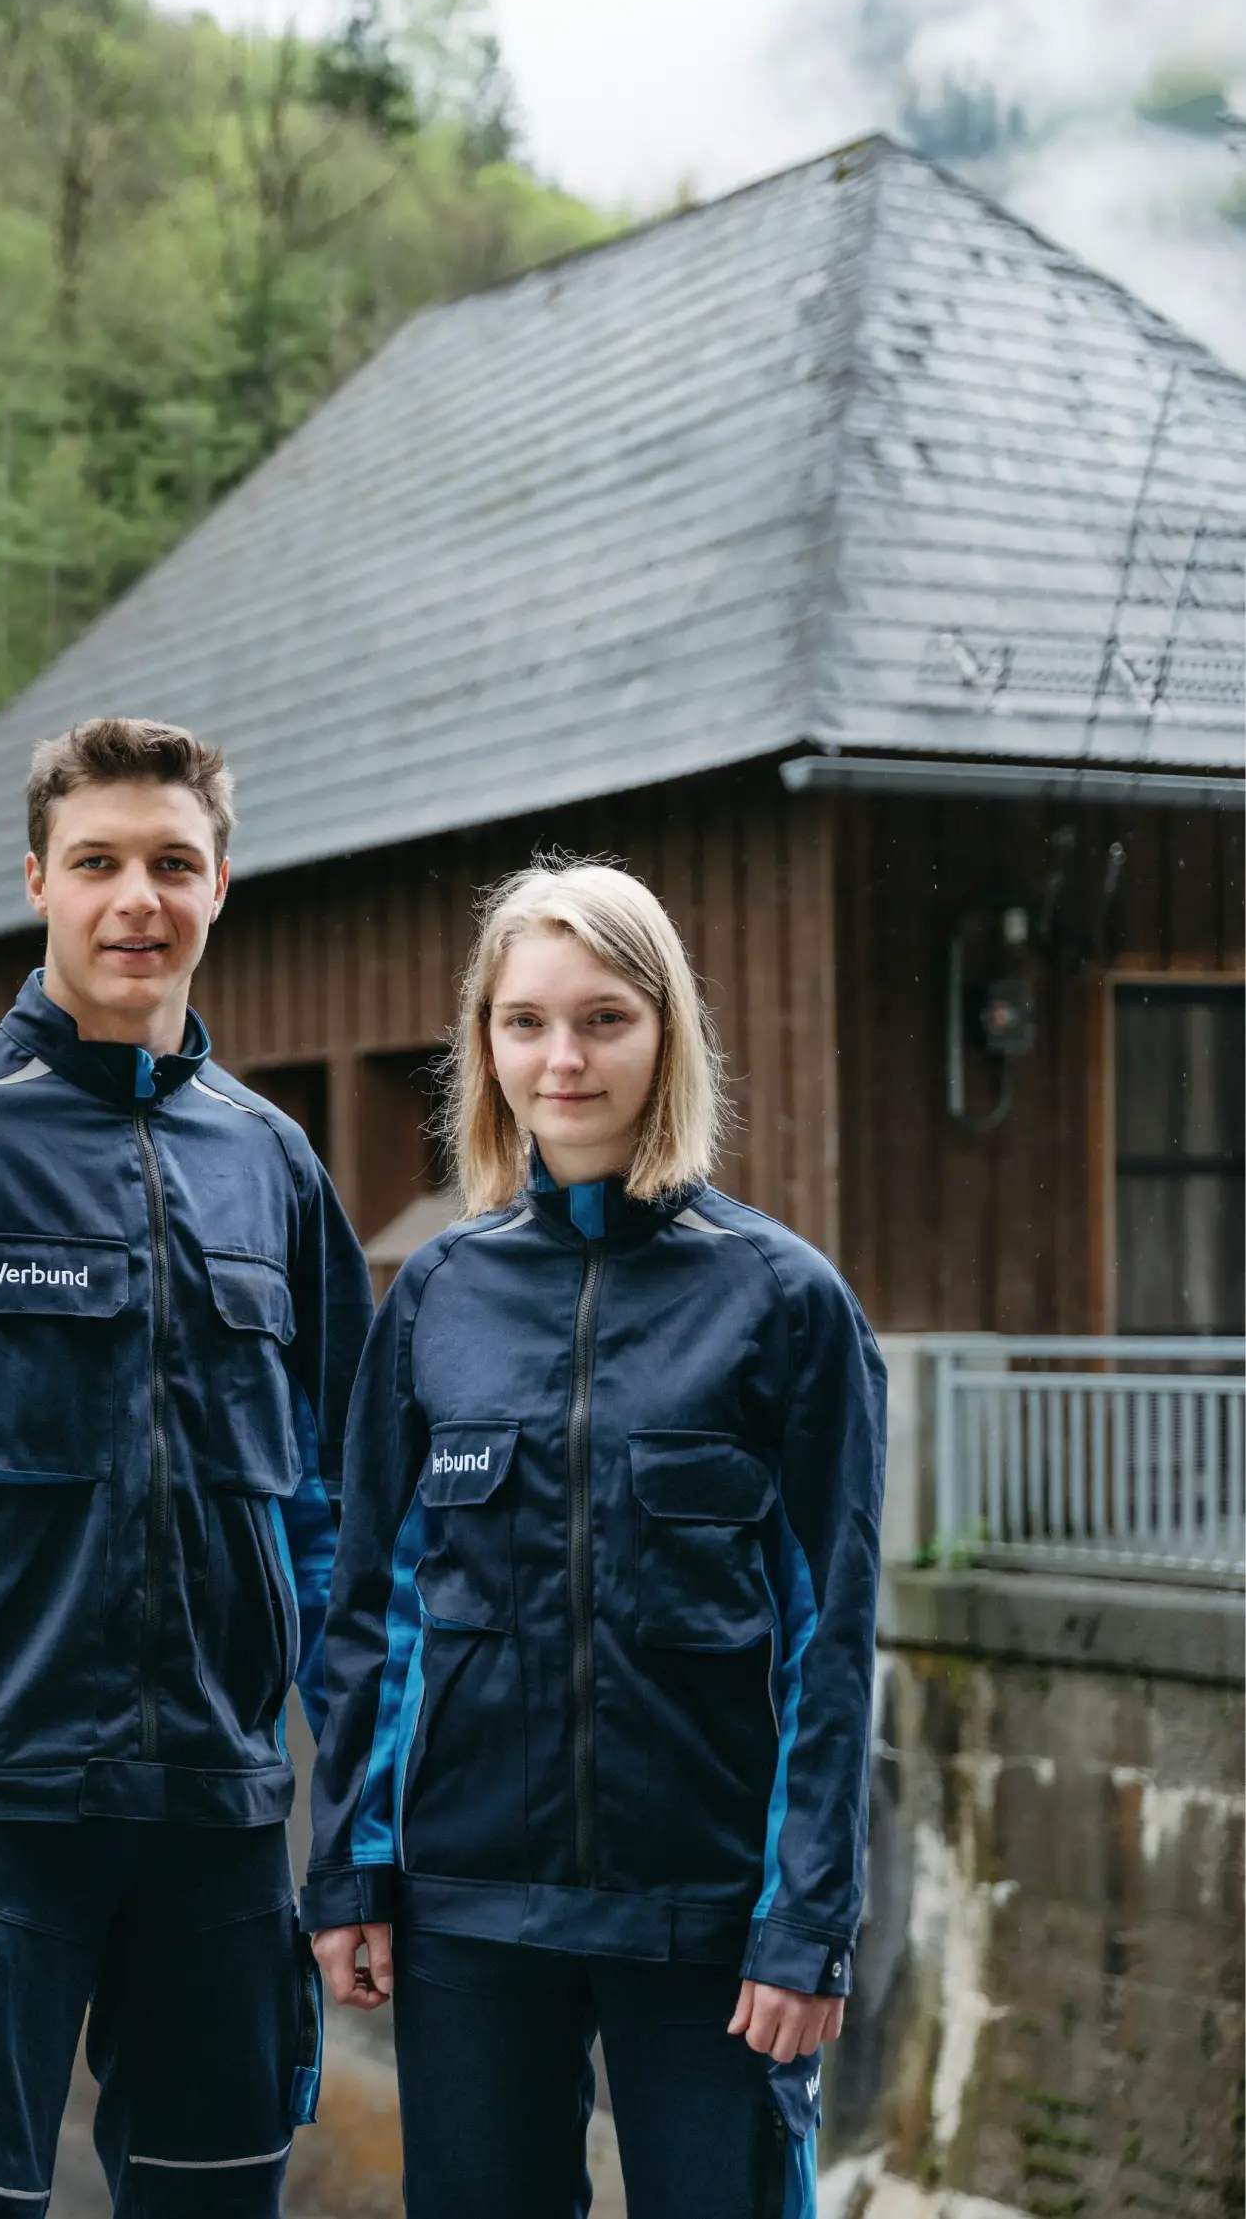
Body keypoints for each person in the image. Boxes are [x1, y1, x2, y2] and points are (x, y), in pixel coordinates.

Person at [0, 717, 372, 2215]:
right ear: (37, 880)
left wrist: (356, 1816)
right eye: (97, 863)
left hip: (223, 1823)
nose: (136, 902)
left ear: (223, 884)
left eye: (173, 863)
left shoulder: (277, 1169)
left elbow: (347, 1519)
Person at [302, 861, 886, 2219]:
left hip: (708, 1914)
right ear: (484, 1044)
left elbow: (830, 1640)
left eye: (604, 1019)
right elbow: (376, 1615)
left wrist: (807, 1919)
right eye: (525, 1022)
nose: (562, 1058)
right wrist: (350, 1871)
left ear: (666, 1033)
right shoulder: (437, 1297)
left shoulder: (784, 1304)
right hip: (467, 1909)